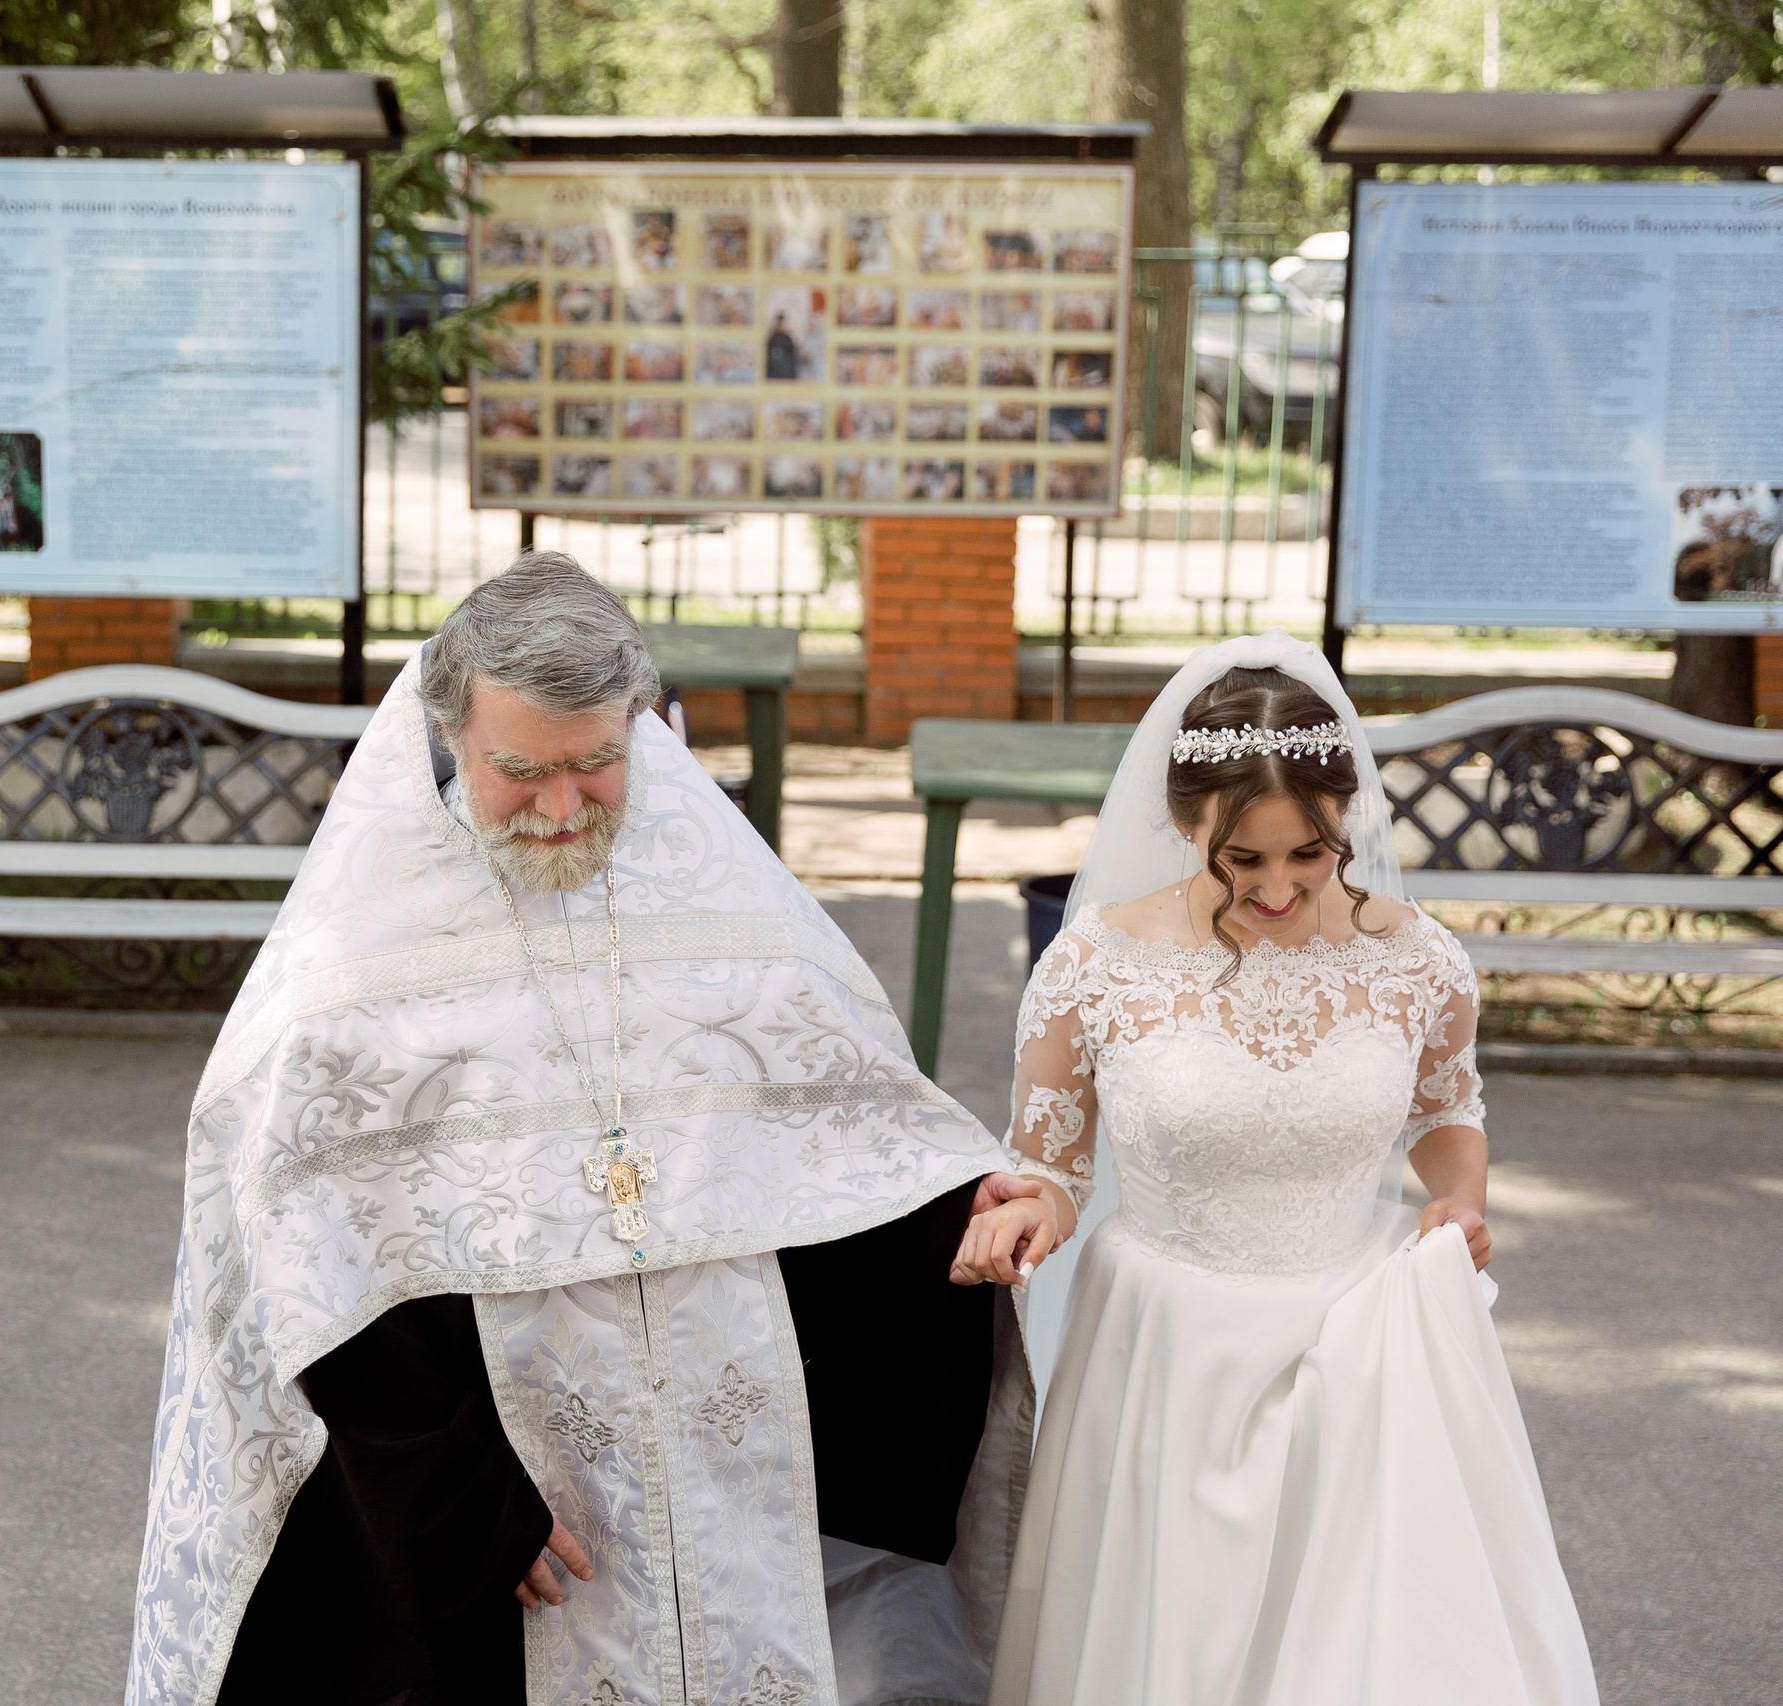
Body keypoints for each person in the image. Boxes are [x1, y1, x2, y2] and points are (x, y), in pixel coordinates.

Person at [128, 554, 1038, 1706]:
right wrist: (459, 1502)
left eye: (598, 763)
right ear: (450, 734)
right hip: (486, 1485)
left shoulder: (724, 901)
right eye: (521, 771)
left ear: (648, 725)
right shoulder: (346, 975)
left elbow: (842, 1128)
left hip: (712, 1468)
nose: (562, 809)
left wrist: (955, 1206)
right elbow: (304, 1261)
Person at [953, 631, 1598, 1706]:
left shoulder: (1415, 957)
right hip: (1165, 1352)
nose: (1278, 887)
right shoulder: (1095, 963)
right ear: (1182, 820)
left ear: (1346, 817)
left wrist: (1460, 1196)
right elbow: (1049, 1160)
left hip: (1361, 1346)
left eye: (1310, 853)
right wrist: (1032, 1210)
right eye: (1241, 858)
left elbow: (1447, 1108)